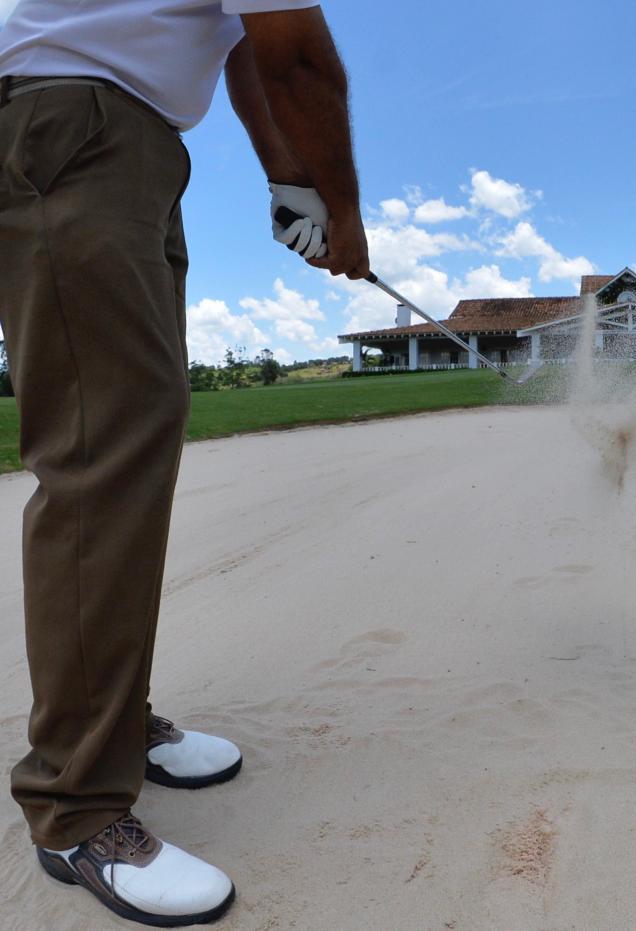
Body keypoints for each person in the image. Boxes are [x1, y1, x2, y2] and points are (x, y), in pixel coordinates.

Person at [0, 1, 369, 924]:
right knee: (101, 452)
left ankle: (113, 725)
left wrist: (294, 181)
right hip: (75, 125)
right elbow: (297, 62)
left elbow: (246, 47)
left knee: (136, 429)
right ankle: (76, 806)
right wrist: (347, 210)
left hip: (126, 140)